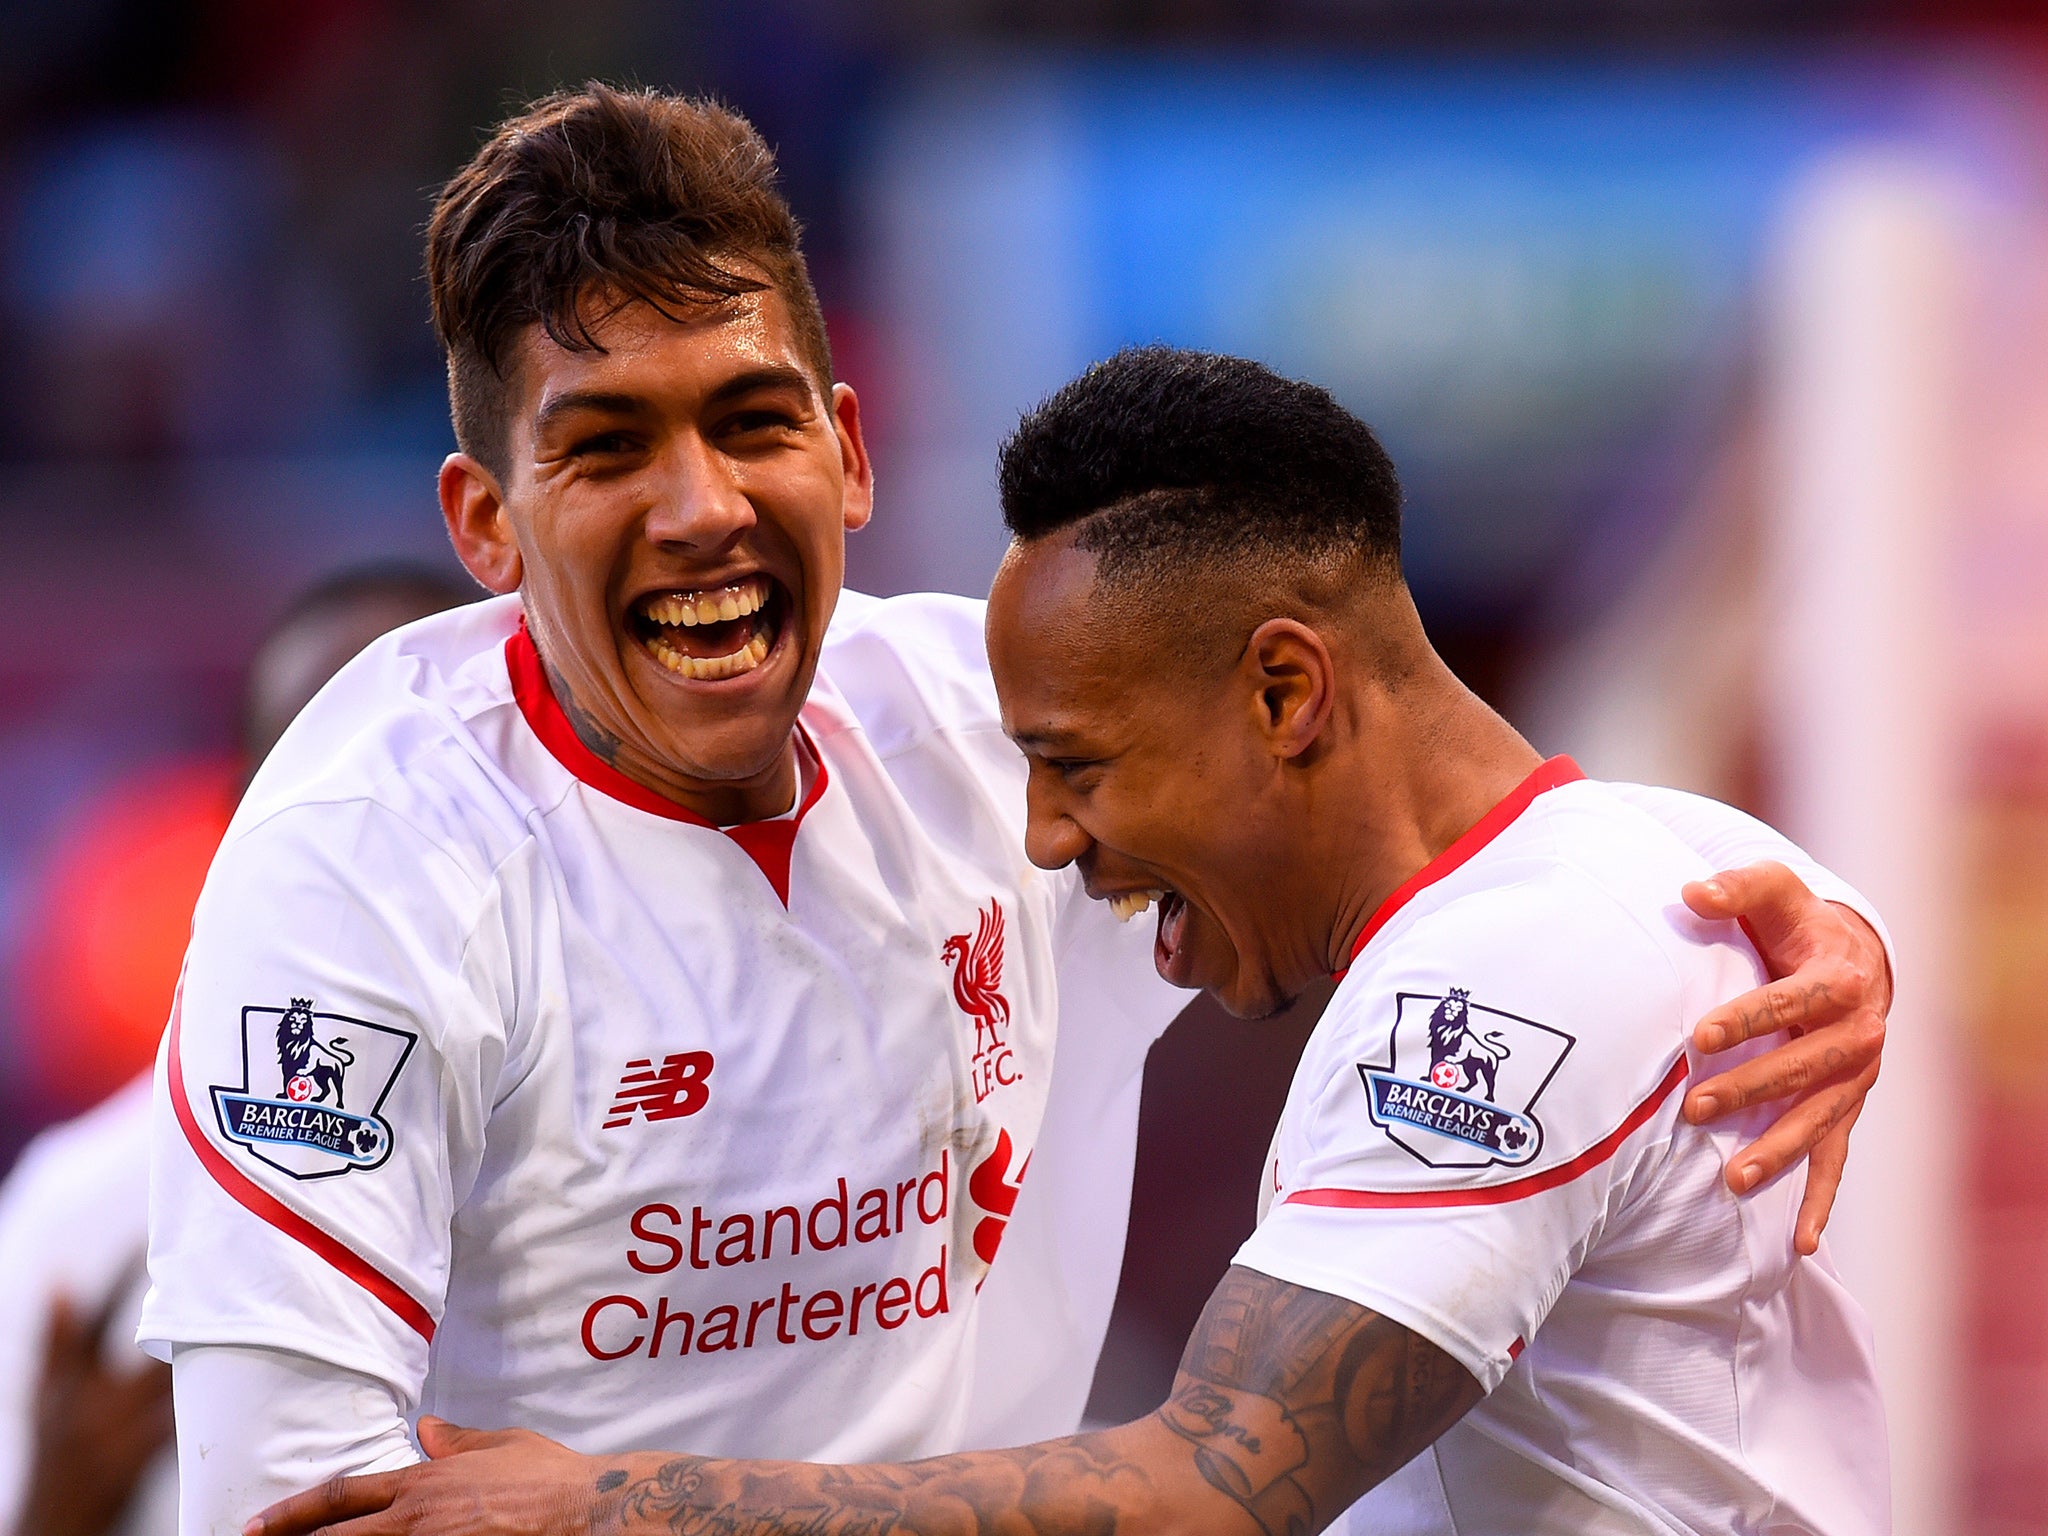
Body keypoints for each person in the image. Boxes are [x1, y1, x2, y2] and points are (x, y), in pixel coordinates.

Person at [153, 88, 1892, 1535]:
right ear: (485, 522)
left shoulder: (998, 734)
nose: (697, 508)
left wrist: (1785, 907)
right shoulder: (358, 884)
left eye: (748, 421)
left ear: (846, 448)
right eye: (605, 447)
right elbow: (305, 1505)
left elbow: (1413, 797)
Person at [0, 565, 473, 1536]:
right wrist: (56, 1510)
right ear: (234, 828)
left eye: (434, 782)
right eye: (319, 790)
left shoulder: (663, 1136)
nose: (375, 843)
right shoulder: (80, 1215)